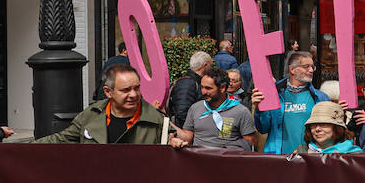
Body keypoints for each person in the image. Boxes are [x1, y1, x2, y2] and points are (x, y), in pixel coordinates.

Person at [36, 65, 170, 145]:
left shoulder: (157, 120)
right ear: (108, 92)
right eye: (126, 90)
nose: (134, 94)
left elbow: (177, 143)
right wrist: (17, 147)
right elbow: (60, 140)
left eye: (137, 88)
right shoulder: (90, 115)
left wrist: (175, 144)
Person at [252, 51, 329, 155]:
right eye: (306, 66)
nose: (311, 70)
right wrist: (259, 108)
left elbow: (330, 131)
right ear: (292, 69)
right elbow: (263, 128)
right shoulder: (274, 95)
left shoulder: (320, 97)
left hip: (309, 158)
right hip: (278, 158)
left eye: (312, 67)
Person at [170, 67, 256, 150]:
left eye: (208, 88)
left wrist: (228, 151)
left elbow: (250, 142)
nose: (203, 92)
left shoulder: (241, 111)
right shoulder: (195, 108)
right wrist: (176, 139)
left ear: (222, 88)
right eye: (202, 87)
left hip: (227, 162)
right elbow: (187, 137)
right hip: (198, 161)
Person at [293, 101, 362, 154]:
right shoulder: (301, 151)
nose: (317, 129)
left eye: (323, 124)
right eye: (313, 124)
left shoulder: (353, 154)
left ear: (336, 128)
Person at [168, 50, 214, 126]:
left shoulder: (192, 82)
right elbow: (182, 112)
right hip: (186, 133)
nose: (211, 69)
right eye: (211, 65)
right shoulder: (188, 84)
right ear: (205, 65)